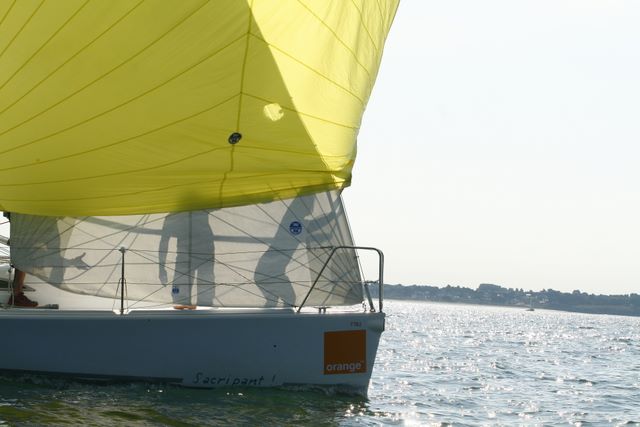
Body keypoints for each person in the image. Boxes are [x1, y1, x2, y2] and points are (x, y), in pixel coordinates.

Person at [3, 212, 38, 307]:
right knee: (24, 255)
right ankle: (16, 296)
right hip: (22, 213)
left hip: (20, 213)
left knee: (24, 253)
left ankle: (17, 295)